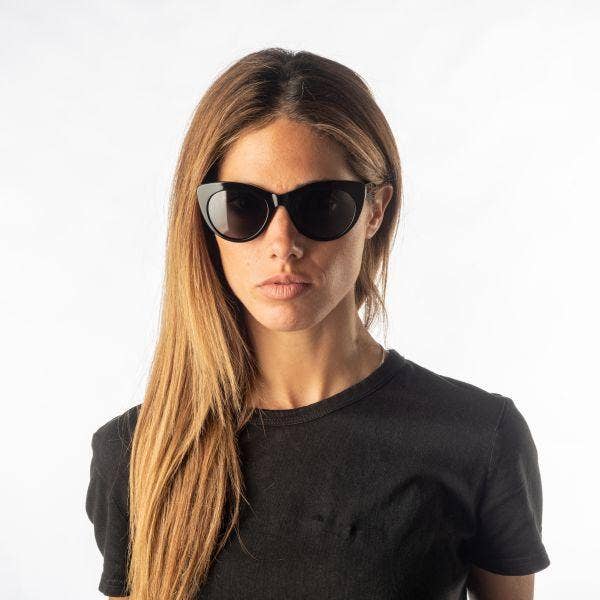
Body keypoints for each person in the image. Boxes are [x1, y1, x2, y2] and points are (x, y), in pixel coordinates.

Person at [85, 47, 550, 600]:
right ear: (205, 218)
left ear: (375, 210)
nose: (282, 244)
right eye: (242, 206)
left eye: (321, 204)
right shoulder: (138, 455)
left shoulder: (477, 438)